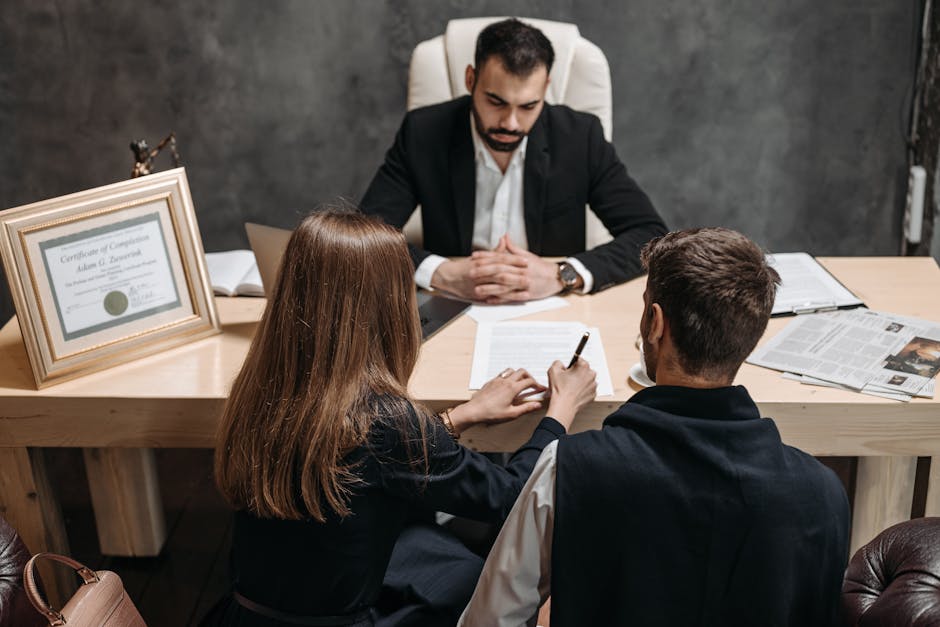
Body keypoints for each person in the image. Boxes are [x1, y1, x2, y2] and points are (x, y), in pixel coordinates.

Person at [204, 207, 597, 627]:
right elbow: (511, 497)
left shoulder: (261, 387)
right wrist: (560, 411)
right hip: (342, 620)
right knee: (472, 572)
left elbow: (361, 459)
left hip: (246, 615)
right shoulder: (388, 419)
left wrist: (457, 418)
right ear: (386, 308)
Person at [458, 228, 851, 626]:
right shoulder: (824, 494)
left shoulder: (569, 468)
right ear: (750, 336)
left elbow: (491, 620)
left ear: (655, 323)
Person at [361, 18, 667, 304]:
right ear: (471, 80)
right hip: (450, 303)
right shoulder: (424, 132)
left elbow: (650, 235)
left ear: (546, 88)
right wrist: (441, 273)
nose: (510, 123)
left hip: (553, 306)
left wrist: (562, 274)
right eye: (496, 102)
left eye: (528, 106)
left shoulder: (580, 137)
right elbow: (362, 234)